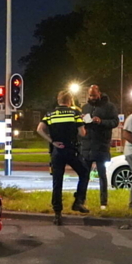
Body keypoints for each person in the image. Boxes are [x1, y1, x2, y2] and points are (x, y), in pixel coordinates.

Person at [37, 90, 90, 225]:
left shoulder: (50, 114)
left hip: (57, 151)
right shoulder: (75, 113)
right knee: (84, 173)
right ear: (70, 100)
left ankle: (57, 213)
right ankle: (78, 201)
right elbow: (82, 133)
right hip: (71, 150)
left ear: (58, 100)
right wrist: (84, 124)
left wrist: (51, 141)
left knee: (57, 182)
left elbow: (39, 129)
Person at [80, 84, 120, 210]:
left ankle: (103, 202)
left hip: (101, 145)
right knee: (84, 175)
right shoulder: (85, 107)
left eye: (94, 95)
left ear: (99, 93)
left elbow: (115, 122)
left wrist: (101, 121)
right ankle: (81, 201)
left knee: (102, 175)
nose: (92, 97)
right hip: (87, 145)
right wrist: (82, 120)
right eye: (90, 95)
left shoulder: (109, 106)